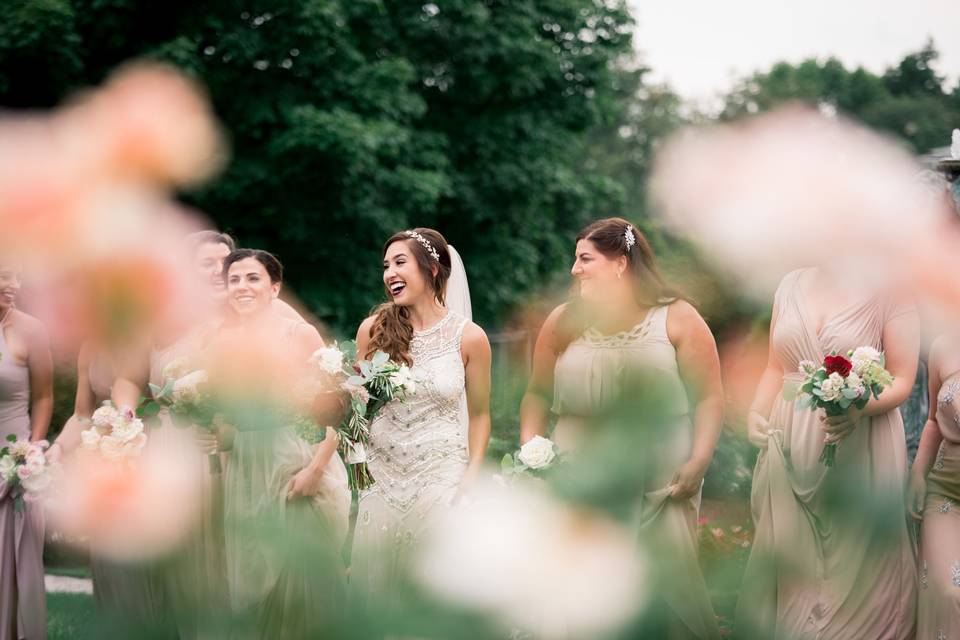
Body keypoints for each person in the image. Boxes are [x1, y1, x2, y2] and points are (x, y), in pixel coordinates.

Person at [519, 217, 723, 639]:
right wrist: (531, 453)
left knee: (662, 586)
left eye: (585, 259)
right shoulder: (562, 321)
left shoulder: (678, 317)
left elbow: (709, 397)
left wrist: (700, 459)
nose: (574, 269)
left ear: (620, 264)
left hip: (660, 476)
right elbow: (536, 395)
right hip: (578, 471)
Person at [736, 266, 918, 639]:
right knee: (791, 568)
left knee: (857, 566)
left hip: (859, 441)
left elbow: (902, 377)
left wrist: (858, 408)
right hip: (789, 443)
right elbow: (776, 366)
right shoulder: (788, 284)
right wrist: (756, 409)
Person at [351, 228, 492, 604]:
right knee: (377, 592)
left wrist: (472, 474)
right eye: (385, 266)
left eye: (400, 263)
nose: (389, 274)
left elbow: (479, 416)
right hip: (381, 477)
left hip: (441, 477)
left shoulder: (470, 337)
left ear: (431, 269)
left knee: (432, 591)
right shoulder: (373, 331)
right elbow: (357, 409)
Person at [214, 249, 349, 636]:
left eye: (253, 278)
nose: (242, 286)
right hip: (245, 465)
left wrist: (316, 469)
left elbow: (338, 408)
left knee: (301, 585)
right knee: (254, 587)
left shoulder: (299, 334)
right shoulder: (225, 342)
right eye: (234, 279)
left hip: (295, 462)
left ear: (274, 287)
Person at [0, 261, 52, 640]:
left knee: (17, 555)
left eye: (15, 277)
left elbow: (45, 395)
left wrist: (32, 452)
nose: (11, 285)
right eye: (3, 278)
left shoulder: (32, 329)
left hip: (13, 454)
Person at [908, 332, 960, 640]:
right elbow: (931, 422)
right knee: (950, 591)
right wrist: (917, 475)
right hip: (946, 495)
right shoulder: (944, 344)